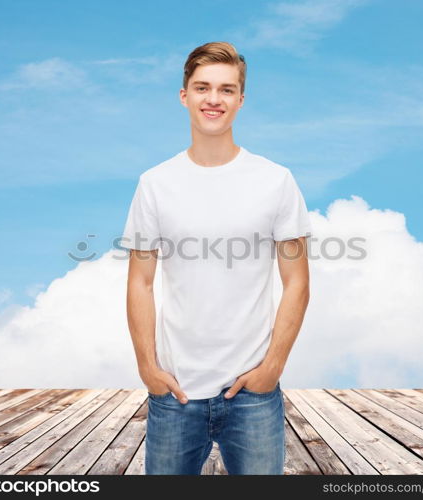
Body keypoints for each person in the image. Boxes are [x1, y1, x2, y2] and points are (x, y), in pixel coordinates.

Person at [121, 41, 313, 475]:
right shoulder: (155, 183)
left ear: (241, 100)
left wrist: (272, 368)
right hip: (174, 393)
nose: (214, 99)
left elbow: (297, 281)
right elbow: (140, 282)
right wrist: (148, 368)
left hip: (253, 394)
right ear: (184, 95)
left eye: (226, 90)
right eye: (203, 87)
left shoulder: (276, 181)